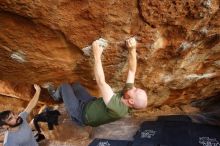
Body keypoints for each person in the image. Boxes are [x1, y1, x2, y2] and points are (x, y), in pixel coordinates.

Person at [47, 38, 148, 127]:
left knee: (65, 86)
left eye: (135, 91)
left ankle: (56, 96)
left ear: (131, 101)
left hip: (81, 114)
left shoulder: (118, 109)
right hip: (90, 103)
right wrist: (132, 49)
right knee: (76, 86)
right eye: (136, 88)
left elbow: (101, 82)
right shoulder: (128, 95)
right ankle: (65, 97)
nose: (133, 87)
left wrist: (96, 55)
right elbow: (132, 71)